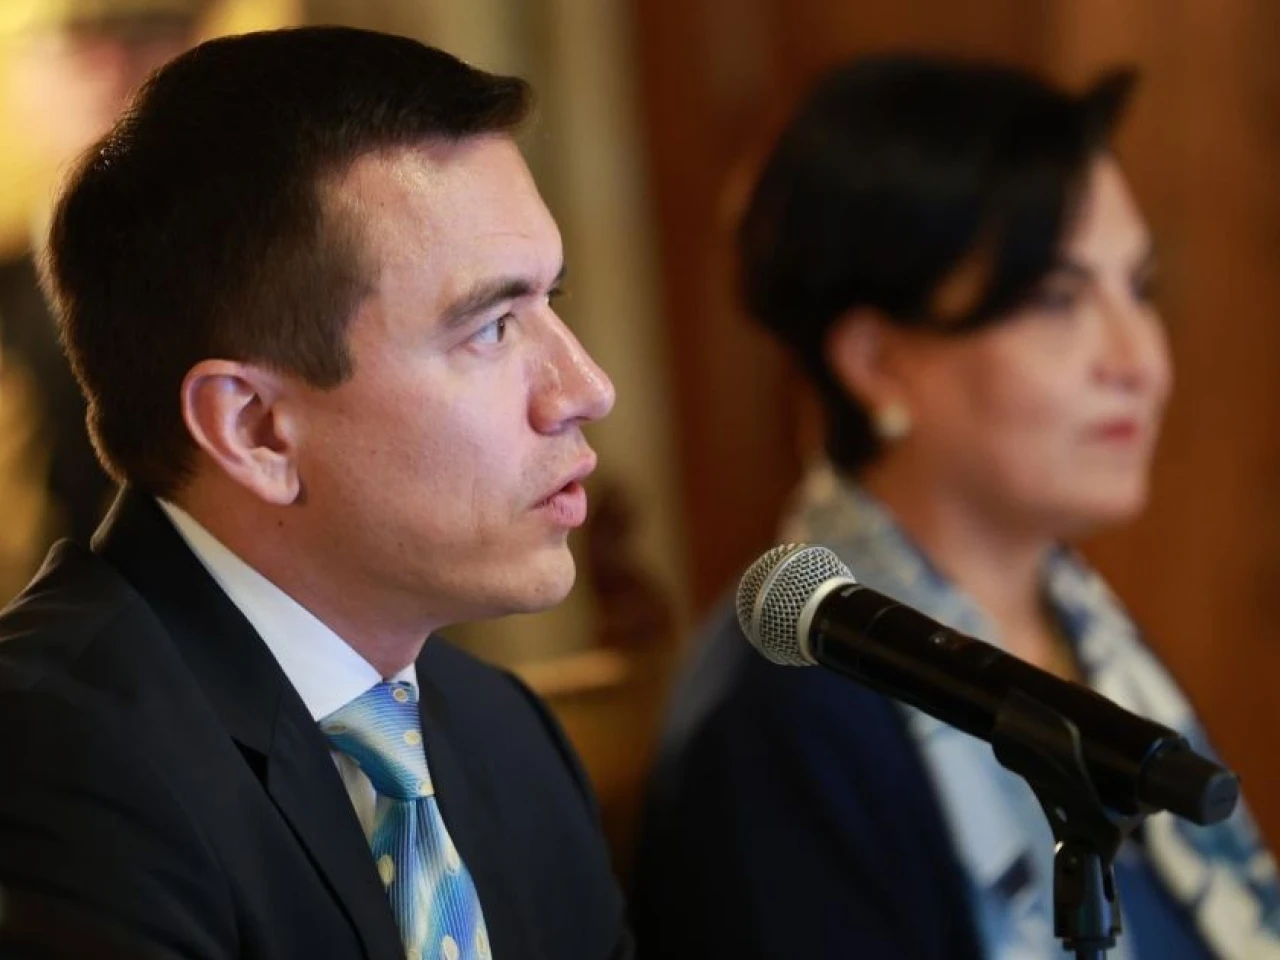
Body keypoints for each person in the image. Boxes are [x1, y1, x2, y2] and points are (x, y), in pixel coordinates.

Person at [0, 25, 630, 960]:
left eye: (552, 303)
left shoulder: (508, 737)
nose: (586, 388)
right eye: (493, 327)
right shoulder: (52, 757)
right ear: (254, 429)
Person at [632, 55, 1280, 959]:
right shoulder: (788, 712)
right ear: (876, 361)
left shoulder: (1087, 632)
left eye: (1138, 289)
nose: (1140, 361)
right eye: (1057, 300)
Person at [0, 0, 216, 602]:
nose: (116, 64)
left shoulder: (276, 284)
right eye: (78, 42)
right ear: (20, 74)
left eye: (150, 32)